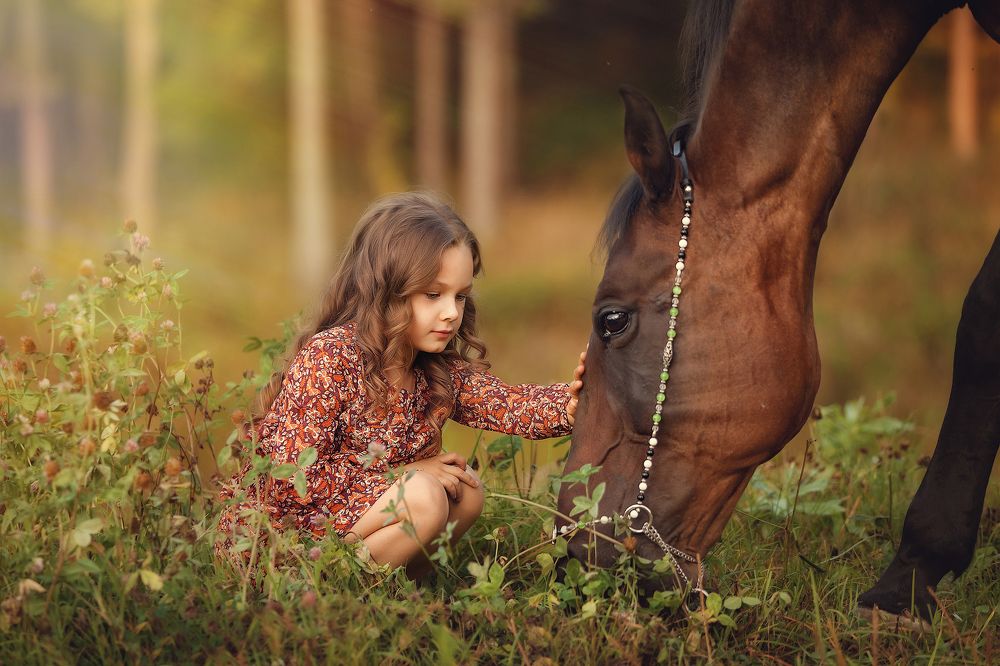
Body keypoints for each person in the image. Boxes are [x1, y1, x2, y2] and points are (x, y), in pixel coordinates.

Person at [216, 192, 585, 578]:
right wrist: (407, 471)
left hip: (358, 518)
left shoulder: (432, 367)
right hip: (285, 534)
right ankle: (316, 586)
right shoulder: (332, 356)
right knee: (424, 496)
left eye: (460, 296)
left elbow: (509, 405)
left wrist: (575, 401)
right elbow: (291, 478)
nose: (451, 313)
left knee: (467, 490)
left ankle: (397, 592)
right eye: (432, 295)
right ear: (387, 290)